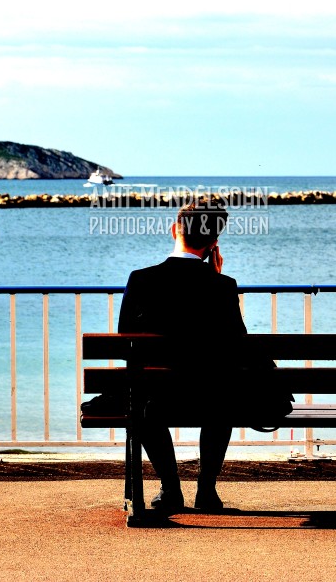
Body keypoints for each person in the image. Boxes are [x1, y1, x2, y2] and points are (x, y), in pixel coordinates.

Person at [117, 197, 244, 513]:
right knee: (224, 394)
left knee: (138, 395)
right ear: (214, 244)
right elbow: (237, 344)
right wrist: (214, 278)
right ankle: (206, 490)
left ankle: (171, 488)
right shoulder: (224, 286)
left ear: (175, 229)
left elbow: (124, 343)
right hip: (210, 397)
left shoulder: (140, 279)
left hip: (155, 399)